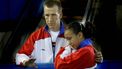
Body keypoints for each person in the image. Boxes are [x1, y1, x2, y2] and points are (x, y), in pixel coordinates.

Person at [15, 0, 103, 68]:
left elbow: (90, 51)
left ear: (60, 15)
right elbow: (20, 55)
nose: (49, 19)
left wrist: (99, 58)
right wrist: (25, 61)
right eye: (47, 15)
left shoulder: (72, 34)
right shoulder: (36, 36)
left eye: (53, 15)